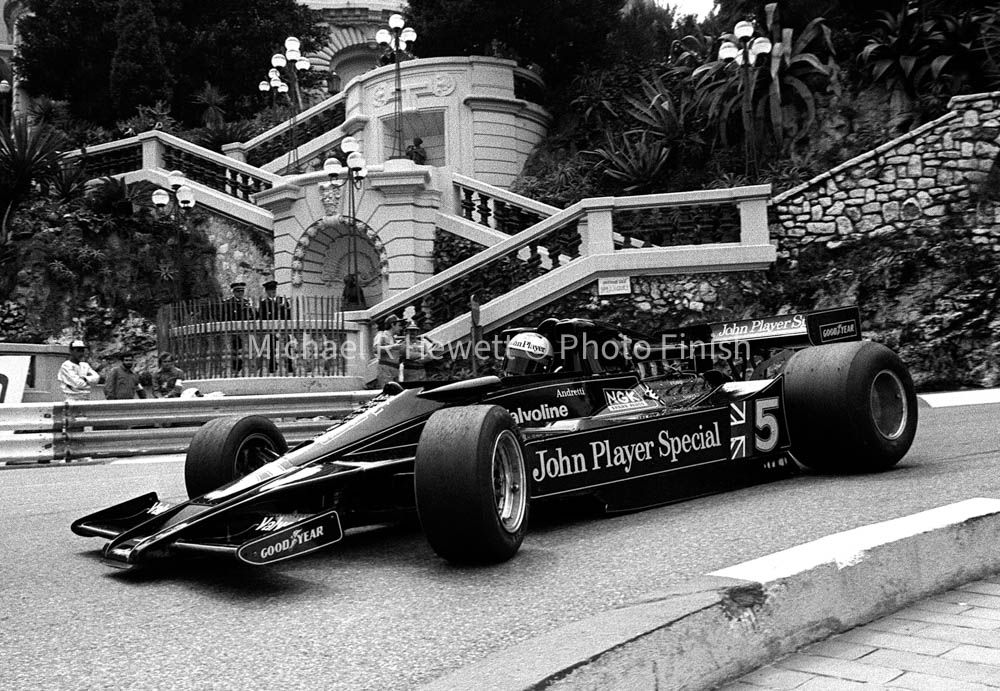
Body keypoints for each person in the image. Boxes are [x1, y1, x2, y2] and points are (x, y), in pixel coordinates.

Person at [258, 280, 292, 373]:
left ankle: (289, 365)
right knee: (271, 347)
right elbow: (261, 317)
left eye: (274, 289)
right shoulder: (263, 303)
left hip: (282, 328)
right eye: (271, 289)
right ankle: (272, 366)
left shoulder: (282, 300)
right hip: (270, 330)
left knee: (288, 345)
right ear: (267, 291)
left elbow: (288, 315)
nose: (273, 291)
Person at [222, 281, 255, 373]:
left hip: (244, 331)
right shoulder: (228, 303)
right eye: (238, 291)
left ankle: (244, 369)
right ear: (234, 292)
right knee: (234, 351)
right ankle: (235, 369)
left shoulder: (246, 303)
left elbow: (252, 316)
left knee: (244, 350)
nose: (240, 293)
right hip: (233, 331)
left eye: (242, 291)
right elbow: (224, 317)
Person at [372, 314, 404, 389]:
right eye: (399, 325)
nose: (401, 328)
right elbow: (376, 349)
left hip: (395, 369)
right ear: (393, 325)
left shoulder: (394, 338)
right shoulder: (382, 335)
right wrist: (392, 347)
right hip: (385, 369)